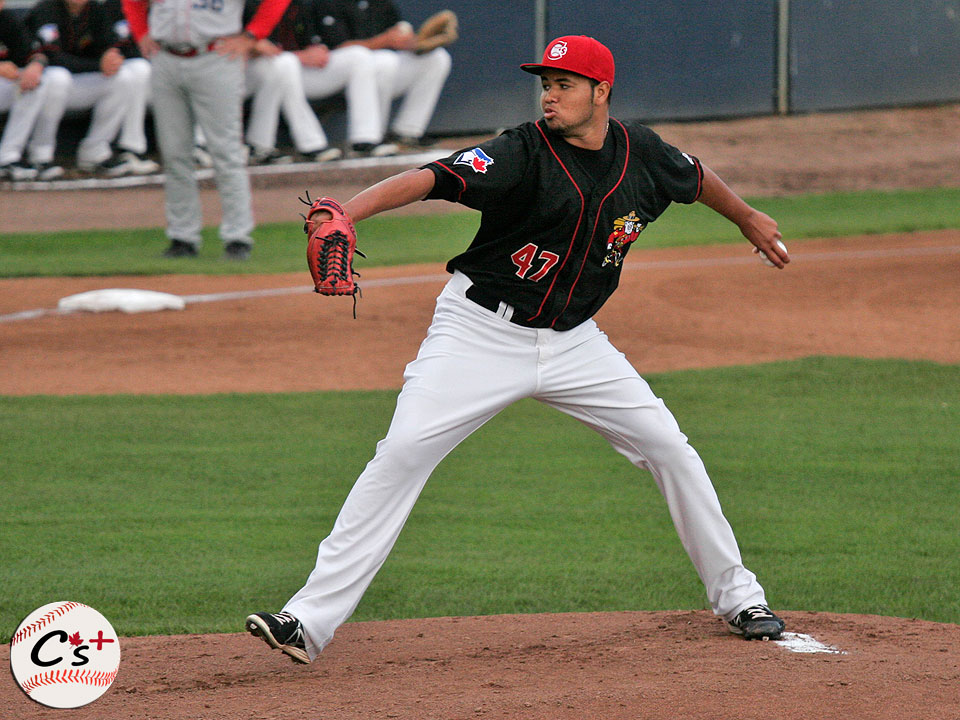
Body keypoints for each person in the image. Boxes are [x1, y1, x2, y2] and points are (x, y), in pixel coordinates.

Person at [245, 35, 789, 664]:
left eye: (564, 84)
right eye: (546, 84)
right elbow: (431, 178)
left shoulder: (641, 151)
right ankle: (307, 621)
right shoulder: (521, 150)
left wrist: (747, 217)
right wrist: (346, 212)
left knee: (671, 449)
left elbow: (695, 177)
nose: (549, 96)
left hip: (576, 344)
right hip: (478, 334)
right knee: (402, 452)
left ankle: (739, 598)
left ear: (601, 91)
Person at [122, 0, 291, 260]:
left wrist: (251, 36)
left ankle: (237, 238)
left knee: (226, 152)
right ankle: (182, 237)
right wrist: (141, 31)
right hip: (166, 58)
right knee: (174, 154)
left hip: (216, 56)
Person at [242, 0, 393, 164]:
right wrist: (299, 56)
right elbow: (244, 42)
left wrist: (318, 50)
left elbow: (322, 39)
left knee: (358, 56)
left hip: (299, 71)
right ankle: (306, 145)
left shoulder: (306, 4)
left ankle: (365, 140)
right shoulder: (249, 5)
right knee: (285, 65)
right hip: (248, 71)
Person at [25, 0, 153, 177]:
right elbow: (53, 58)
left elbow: (110, 45)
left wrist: (110, 57)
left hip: (80, 84)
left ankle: (95, 150)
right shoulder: (46, 9)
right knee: (57, 77)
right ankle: (40, 155)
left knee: (123, 77)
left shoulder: (95, 10)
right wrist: (98, 65)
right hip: (45, 87)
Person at [342, 0, 450, 148]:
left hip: (384, 71)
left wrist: (415, 43)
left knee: (437, 58)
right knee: (382, 61)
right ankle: (371, 137)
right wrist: (385, 40)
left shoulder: (381, 4)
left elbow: (397, 34)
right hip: (343, 75)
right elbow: (336, 50)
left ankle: (408, 130)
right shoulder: (331, 4)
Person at [0, 0, 65, 180]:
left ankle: (9, 158)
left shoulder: (6, 19)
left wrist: (36, 65)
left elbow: (34, 52)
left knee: (33, 83)